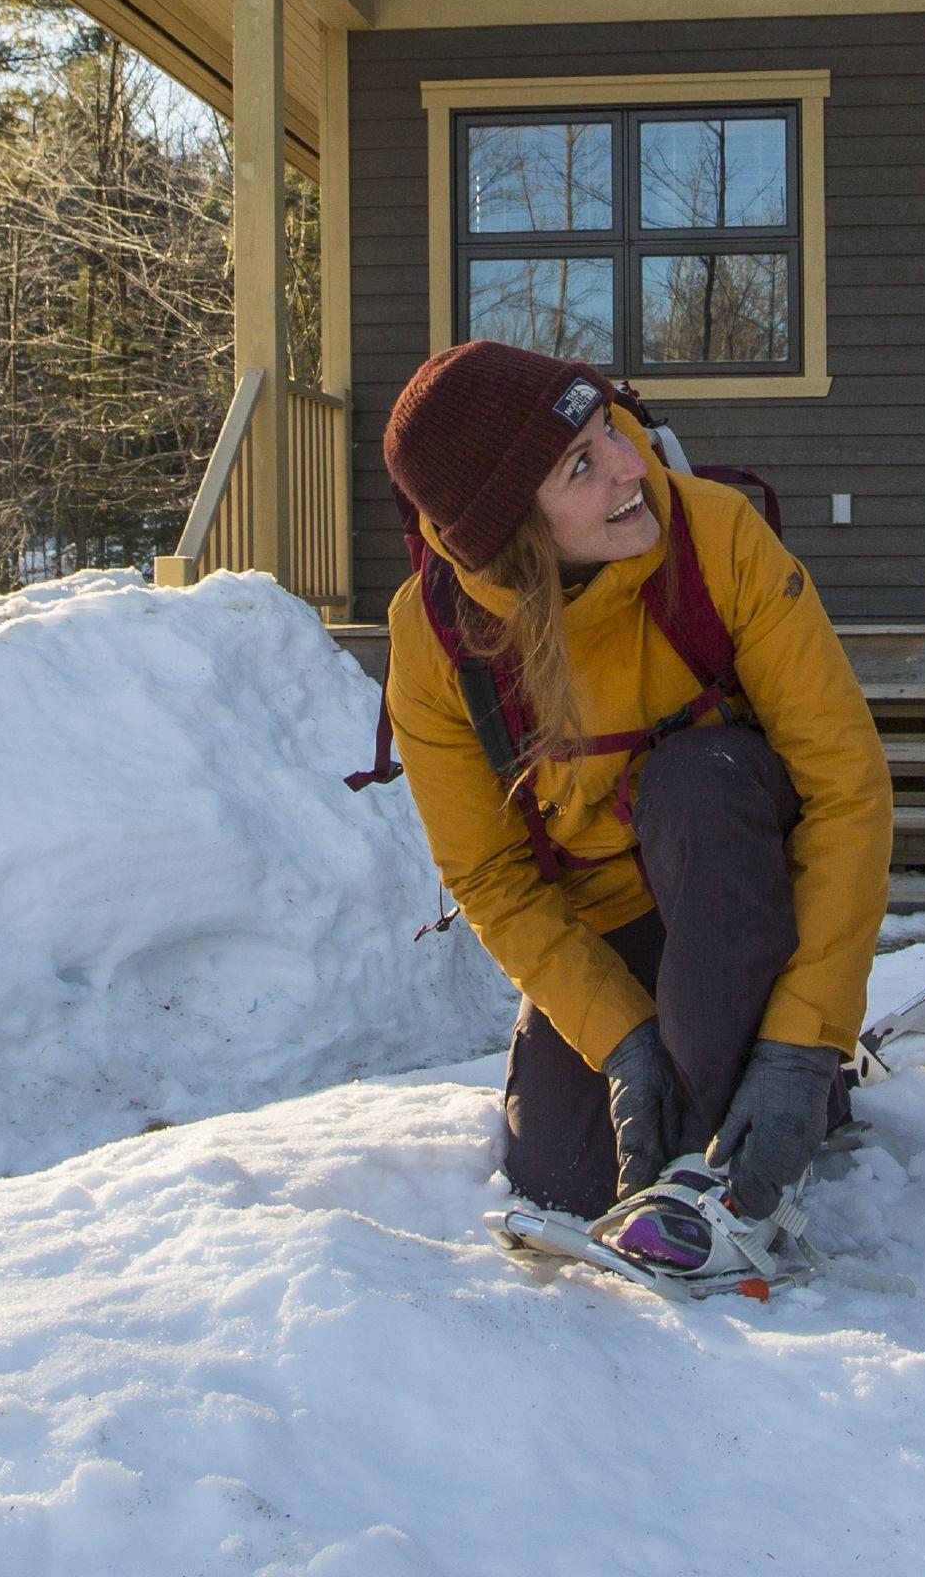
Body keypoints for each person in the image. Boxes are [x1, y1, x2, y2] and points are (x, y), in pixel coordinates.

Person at [379, 340, 896, 1226]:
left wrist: (804, 1042)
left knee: (698, 783)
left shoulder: (716, 537)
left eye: (607, 426)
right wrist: (620, 1043)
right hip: (605, 920)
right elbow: (491, 879)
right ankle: (729, 1094)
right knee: (569, 1183)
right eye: (584, 464)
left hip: (731, 870)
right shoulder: (436, 643)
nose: (632, 467)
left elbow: (846, 786)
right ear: (513, 531)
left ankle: (768, 1100)